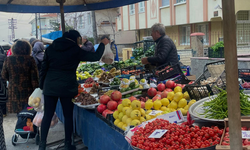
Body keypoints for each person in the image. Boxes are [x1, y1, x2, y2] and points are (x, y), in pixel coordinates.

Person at [39, 30, 108, 150]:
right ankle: (68, 144)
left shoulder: (50, 49)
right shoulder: (75, 50)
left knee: (47, 115)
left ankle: (42, 145)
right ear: (75, 39)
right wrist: (102, 44)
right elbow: (95, 56)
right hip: (67, 86)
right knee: (68, 116)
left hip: (50, 86)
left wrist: (42, 85)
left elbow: (43, 68)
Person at [1, 40, 39, 113]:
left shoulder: (8, 59)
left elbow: (3, 76)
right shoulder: (30, 59)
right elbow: (34, 78)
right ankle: (26, 122)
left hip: (13, 91)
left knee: (18, 112)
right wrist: (36, 90)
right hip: (28, 92)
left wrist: (12, 80)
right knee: (29, 111)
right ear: (28, 48)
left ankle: (20, 121)